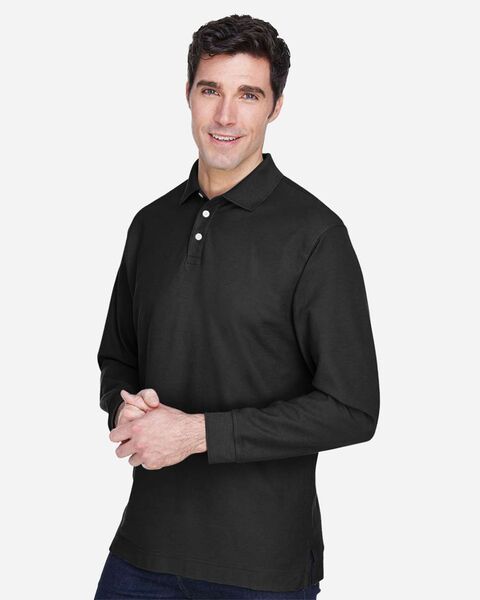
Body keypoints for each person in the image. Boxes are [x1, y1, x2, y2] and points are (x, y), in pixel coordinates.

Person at [94, 13, 380, 600]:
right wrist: (125, 408)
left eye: (248, 95)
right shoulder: (150, 225)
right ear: (188, 95)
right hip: (142, 553)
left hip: (262, 569)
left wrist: (197, 434)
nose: (225, 116)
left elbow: (353, 408)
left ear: (275, 107)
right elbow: (116, 359)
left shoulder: (315, 235)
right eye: (211, 91)